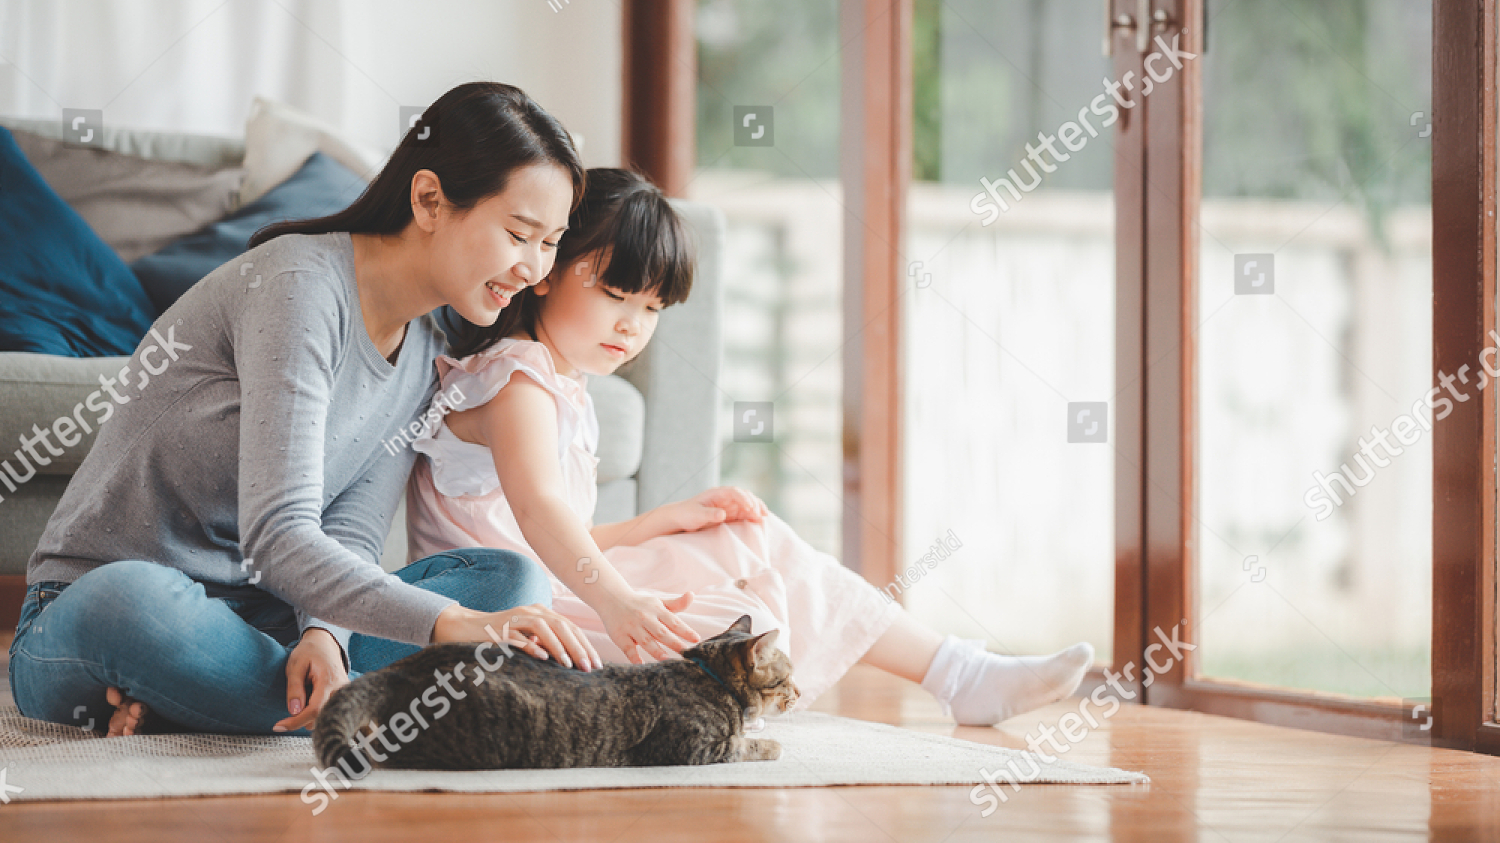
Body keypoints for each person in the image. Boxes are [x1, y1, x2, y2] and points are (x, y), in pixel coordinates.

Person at [9, 81, 600, 738]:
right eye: (520, 233)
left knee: (511, 583)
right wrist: (450, 627)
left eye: (550, 242)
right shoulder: (299, 286)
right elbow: (280, 533)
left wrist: (326, 636)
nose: (534, 269)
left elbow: (350, 528)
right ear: (429, 199)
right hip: (100, 610)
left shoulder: (432, 341)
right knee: (132, 601)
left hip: (269, 619)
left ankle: (226, 696)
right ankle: (335, 700)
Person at [404, 168, 1094, 723]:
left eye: (651, 309)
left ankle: (958, 671)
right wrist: (620, 601)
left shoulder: (562, 385)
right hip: (513, 619)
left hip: (560, 587)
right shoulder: (516, 378)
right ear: (547, 269)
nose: (632, 327)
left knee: (753, 539)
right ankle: (947, 674)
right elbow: (538, 519)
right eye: (616, 294)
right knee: (747, 622)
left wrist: (659, 523)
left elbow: (556, 532)